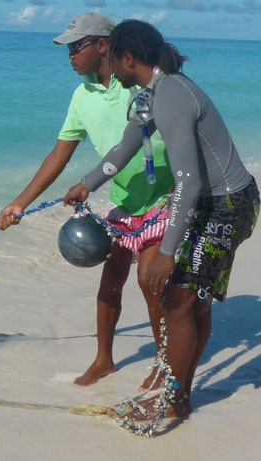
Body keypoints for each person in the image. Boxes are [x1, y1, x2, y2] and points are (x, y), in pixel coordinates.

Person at [63, 19, 259, 418]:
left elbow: (187, 180)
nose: (112, 67)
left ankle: (170, 400)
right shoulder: (152, 93)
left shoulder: (171, 94)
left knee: (176, 301)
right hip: (213, 204)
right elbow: (126, 147)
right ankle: (180, 398)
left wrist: (167, 251)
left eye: (114, 58)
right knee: (192, 304)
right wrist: (87, 184)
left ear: (127, 58)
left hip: (228, 205)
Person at [0, 12, 174, 388]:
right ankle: (104, 359)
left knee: (148, 279)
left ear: (103, 45)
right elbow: (59, 155)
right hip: (125, 201)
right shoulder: (82, 96)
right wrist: (20, 203)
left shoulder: (136, 82)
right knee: (111, 279)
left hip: (165, 197)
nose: (70, 56)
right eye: (69, 49)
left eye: (77, 47)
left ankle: (164, 365)